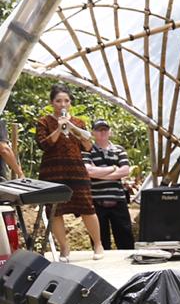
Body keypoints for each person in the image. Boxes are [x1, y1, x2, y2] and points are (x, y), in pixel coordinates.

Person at [35, 84, 103, 260]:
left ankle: (98, 245)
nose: (62, 104)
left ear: (70, 103)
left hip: (76, 171)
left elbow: (88, 147)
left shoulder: (79, 122)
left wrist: (74, 129)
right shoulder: (44, 122)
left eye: (66, 100)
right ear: (52, 102)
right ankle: (64, 248)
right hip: (52, 172)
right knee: (55, 210)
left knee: (87, 207)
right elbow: (44, 145)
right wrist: (59, 128)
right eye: (58, 101)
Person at [83, 120, 135, 250]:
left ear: (110, 132)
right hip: (97, 200)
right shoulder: (87, 150)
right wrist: (113, 168)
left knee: (125, 238)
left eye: (105, 129)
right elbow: (88, 171)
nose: (102, 132)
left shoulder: (119, 150)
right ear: (93, 132)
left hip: (118, 199)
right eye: (99, 130)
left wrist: (99, 173)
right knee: (100, 239)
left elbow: (125, 171)